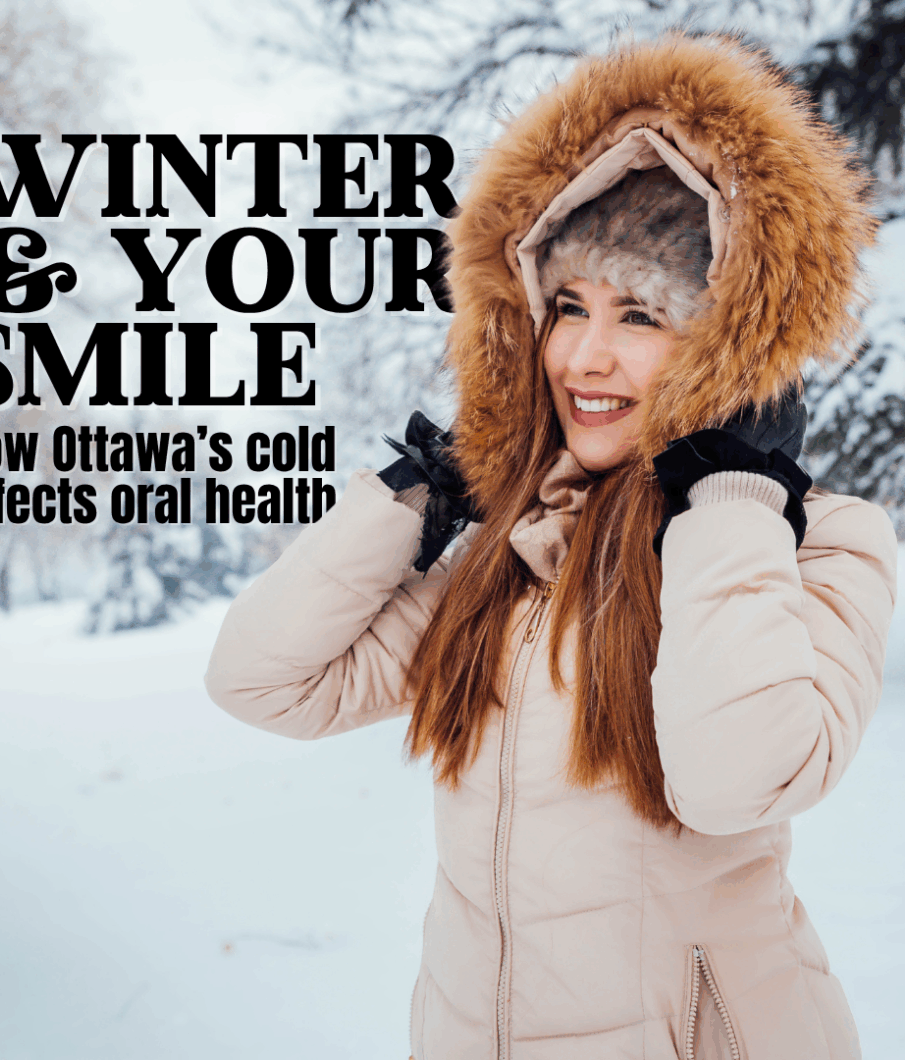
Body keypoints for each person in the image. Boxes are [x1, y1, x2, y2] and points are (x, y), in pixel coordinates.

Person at [204, 31, 898, 1060]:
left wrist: (733, 497)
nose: (584, 353)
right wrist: (417, 498)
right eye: (566, 306)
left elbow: (731, 779)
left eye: (640, 313)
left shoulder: (814, 542)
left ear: (725, 342)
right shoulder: (515, 553)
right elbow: (262, 681)